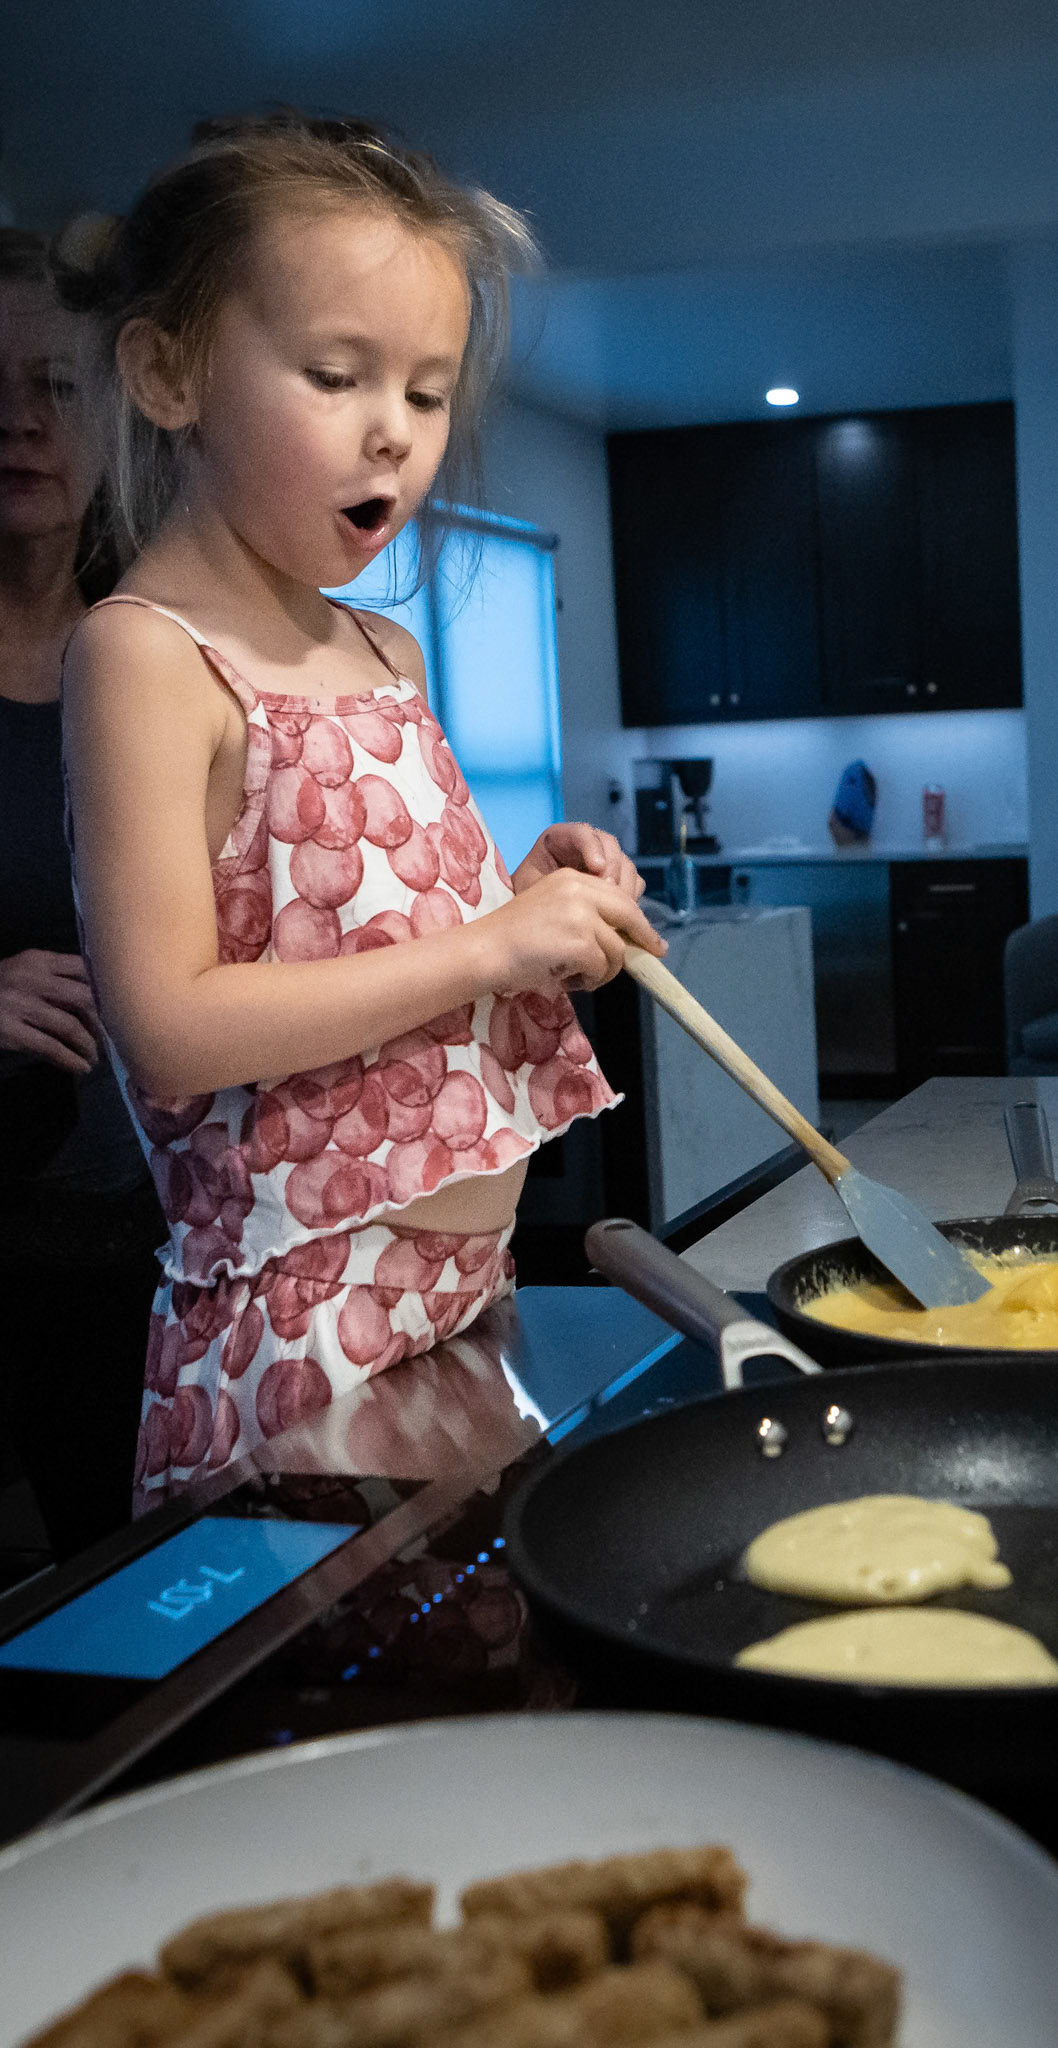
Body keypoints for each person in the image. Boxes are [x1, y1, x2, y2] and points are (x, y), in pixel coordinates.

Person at [58, 113, 664, 1510]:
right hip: (298, 1329)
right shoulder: (147, 653)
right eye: (336, 374)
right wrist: (487, 953)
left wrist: (520, 901)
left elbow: (361, 935)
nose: (393, 426)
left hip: (463, 1298)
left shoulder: (380, 651)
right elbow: (173, 1022)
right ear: (168, 371)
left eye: (430, 391)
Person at [0, 229, 163, 1555]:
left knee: (143, 1598)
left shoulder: (160, 643)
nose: (20, 423)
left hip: (151, 1244)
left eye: (54, 386)